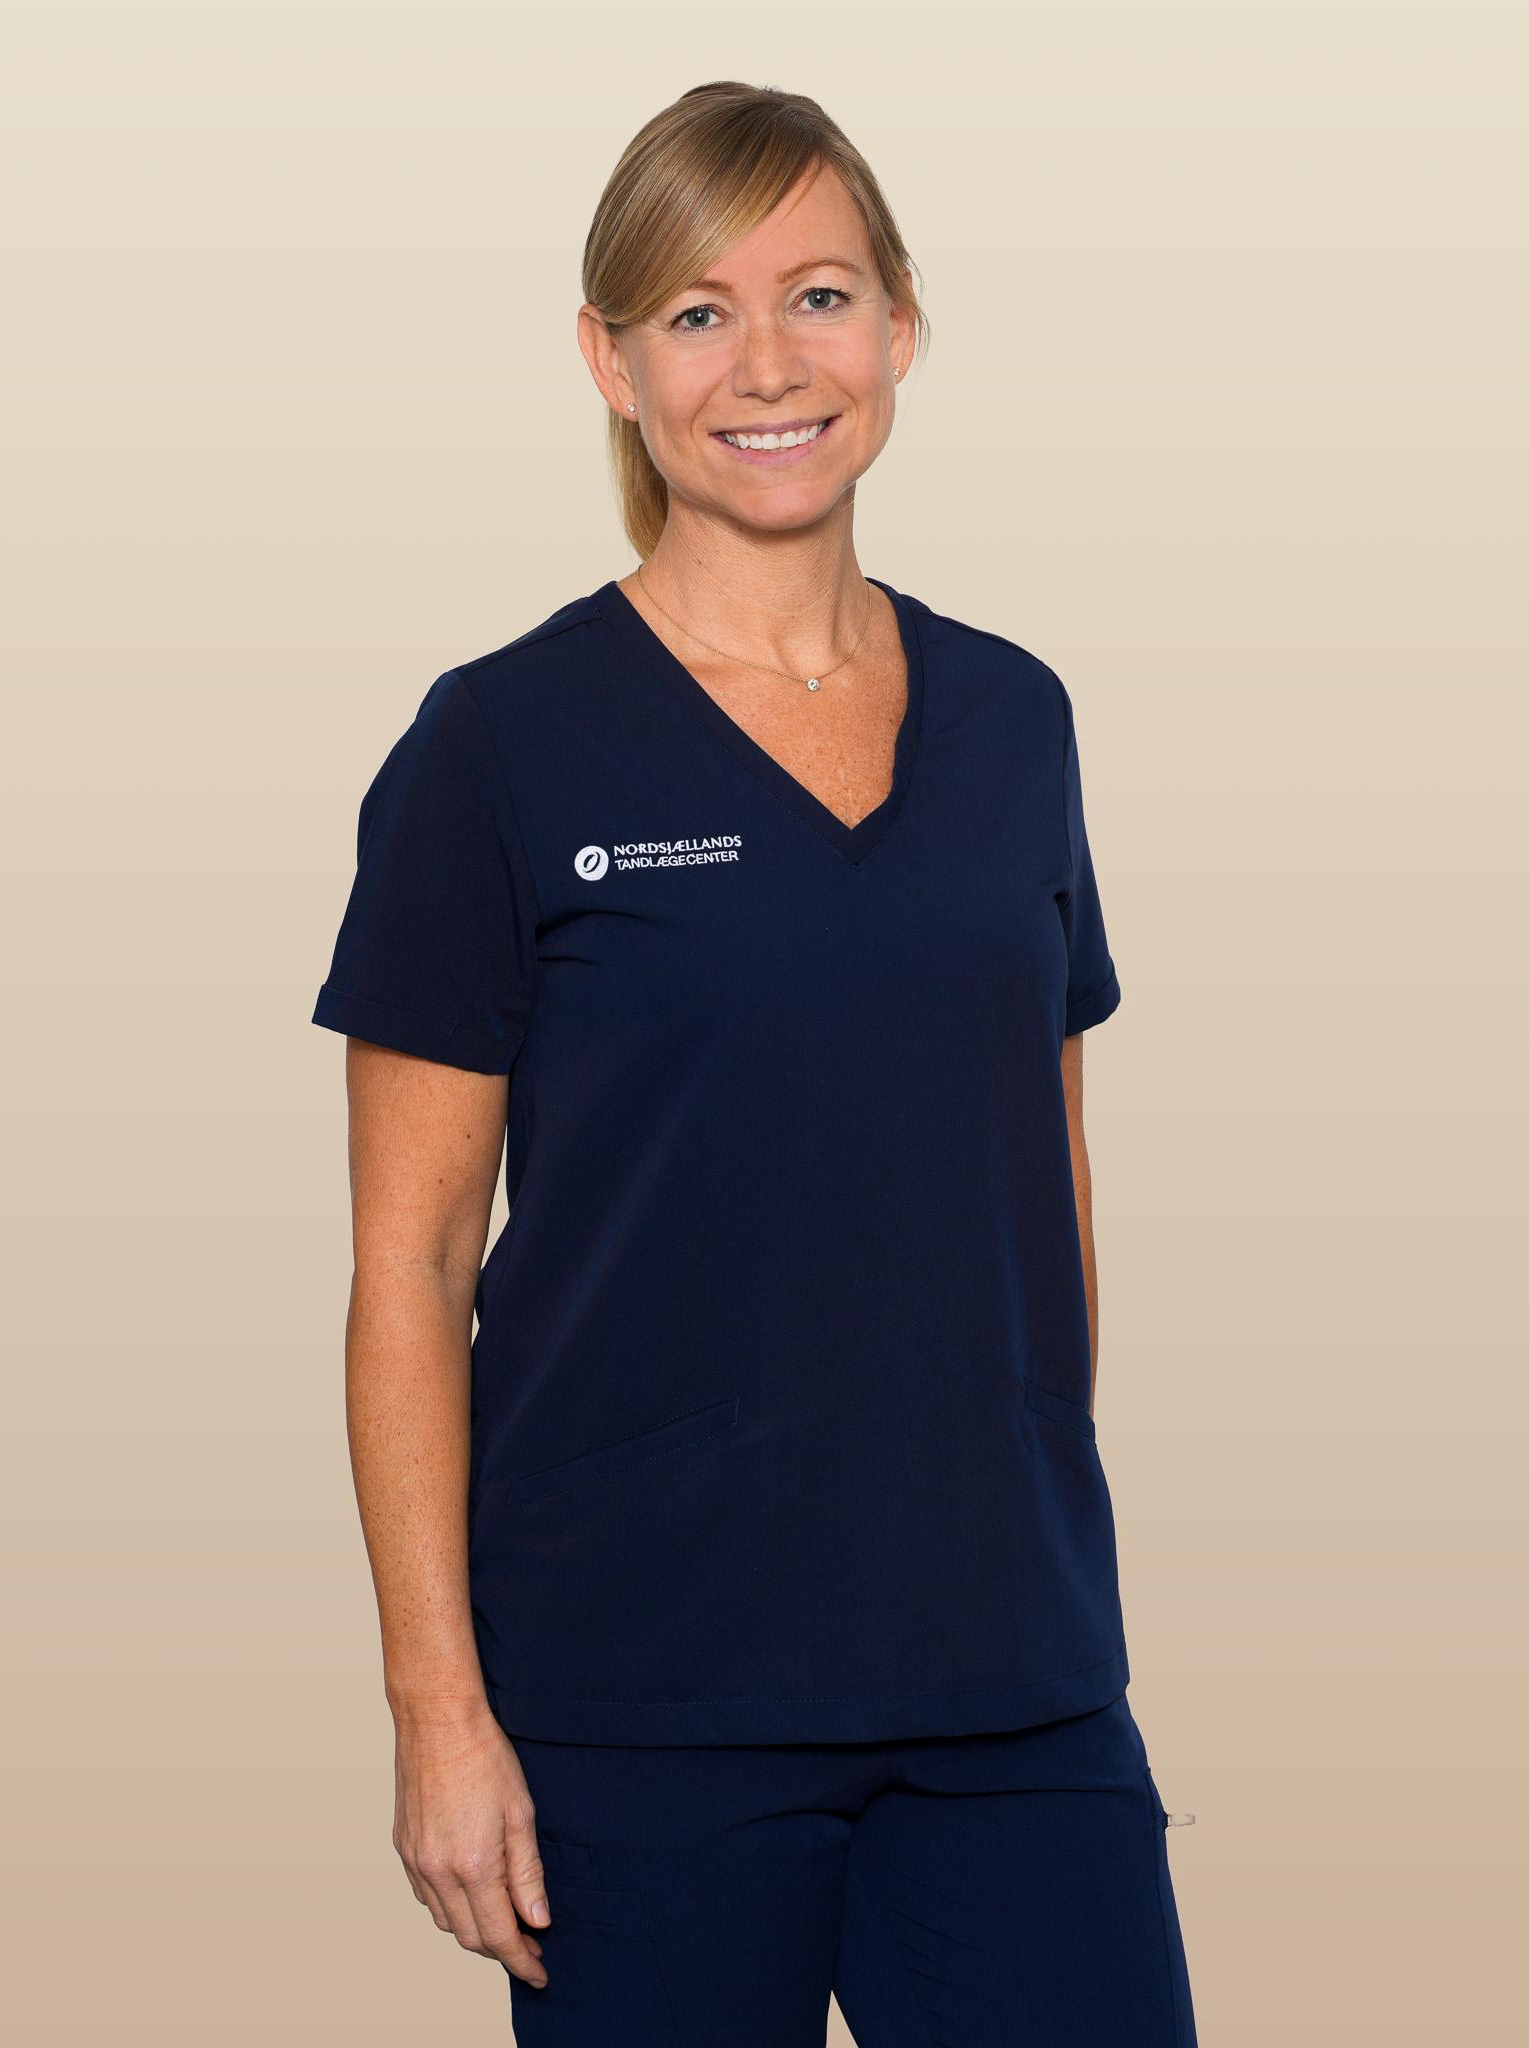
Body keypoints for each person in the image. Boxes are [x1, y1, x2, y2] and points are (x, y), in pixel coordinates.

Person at [311, 79, 1198, 2047]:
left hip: (1013, 1681)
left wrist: (1013, 1499)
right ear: (608, 358)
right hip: (640, 1706)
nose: (770, 364)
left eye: (820, 294)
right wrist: (439, 1714)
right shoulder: (499, 746)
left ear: (901, 324)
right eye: (699, 312)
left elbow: (1040, 1168)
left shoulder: (1015, 720)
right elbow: (409, 1264)